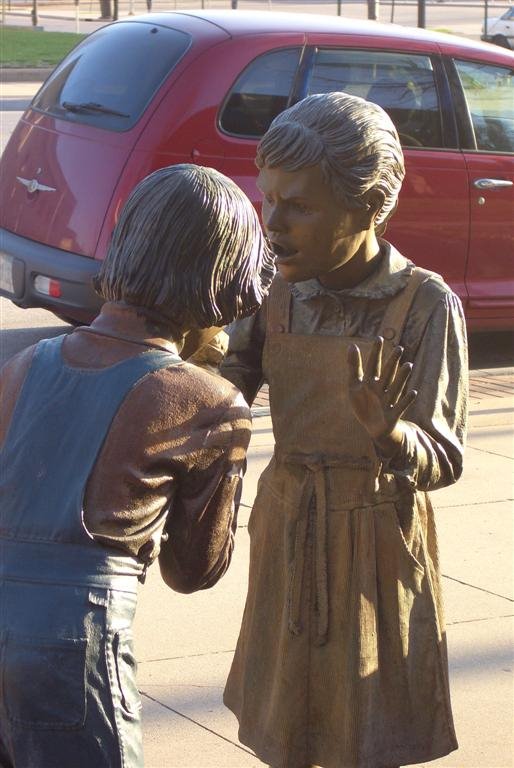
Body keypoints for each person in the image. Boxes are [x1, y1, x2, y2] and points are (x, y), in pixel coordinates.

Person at [222, 93, 468, 768]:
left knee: (367, 727)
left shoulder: (423, 304)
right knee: (288, 722)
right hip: (289, 528)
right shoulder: (274, 290)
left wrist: (393, 439)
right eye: (269, 200)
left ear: (366, 209)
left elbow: (444, 454)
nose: (273, 223)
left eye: (298, 206)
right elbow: (222, 390)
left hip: (376, 543)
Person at [0, 164, 274, 768]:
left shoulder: (23, 367)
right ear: (220, 284)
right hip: (72, 648)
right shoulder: (207, 402)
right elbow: (194, 568)